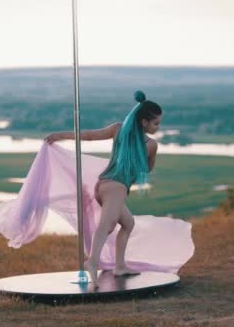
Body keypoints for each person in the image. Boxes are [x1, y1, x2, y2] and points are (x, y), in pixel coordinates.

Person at [44, 90, 162, 288]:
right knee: (106, 226)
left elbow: (89, 136)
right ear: (144, 123)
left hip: (103, 185)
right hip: (116, 189)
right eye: (156, 123)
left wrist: (60, 135)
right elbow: (147, 168)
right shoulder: (151, 144)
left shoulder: (118, 129)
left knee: (128, 223)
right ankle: (92, 261)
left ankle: (120, 266)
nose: (158, 127)